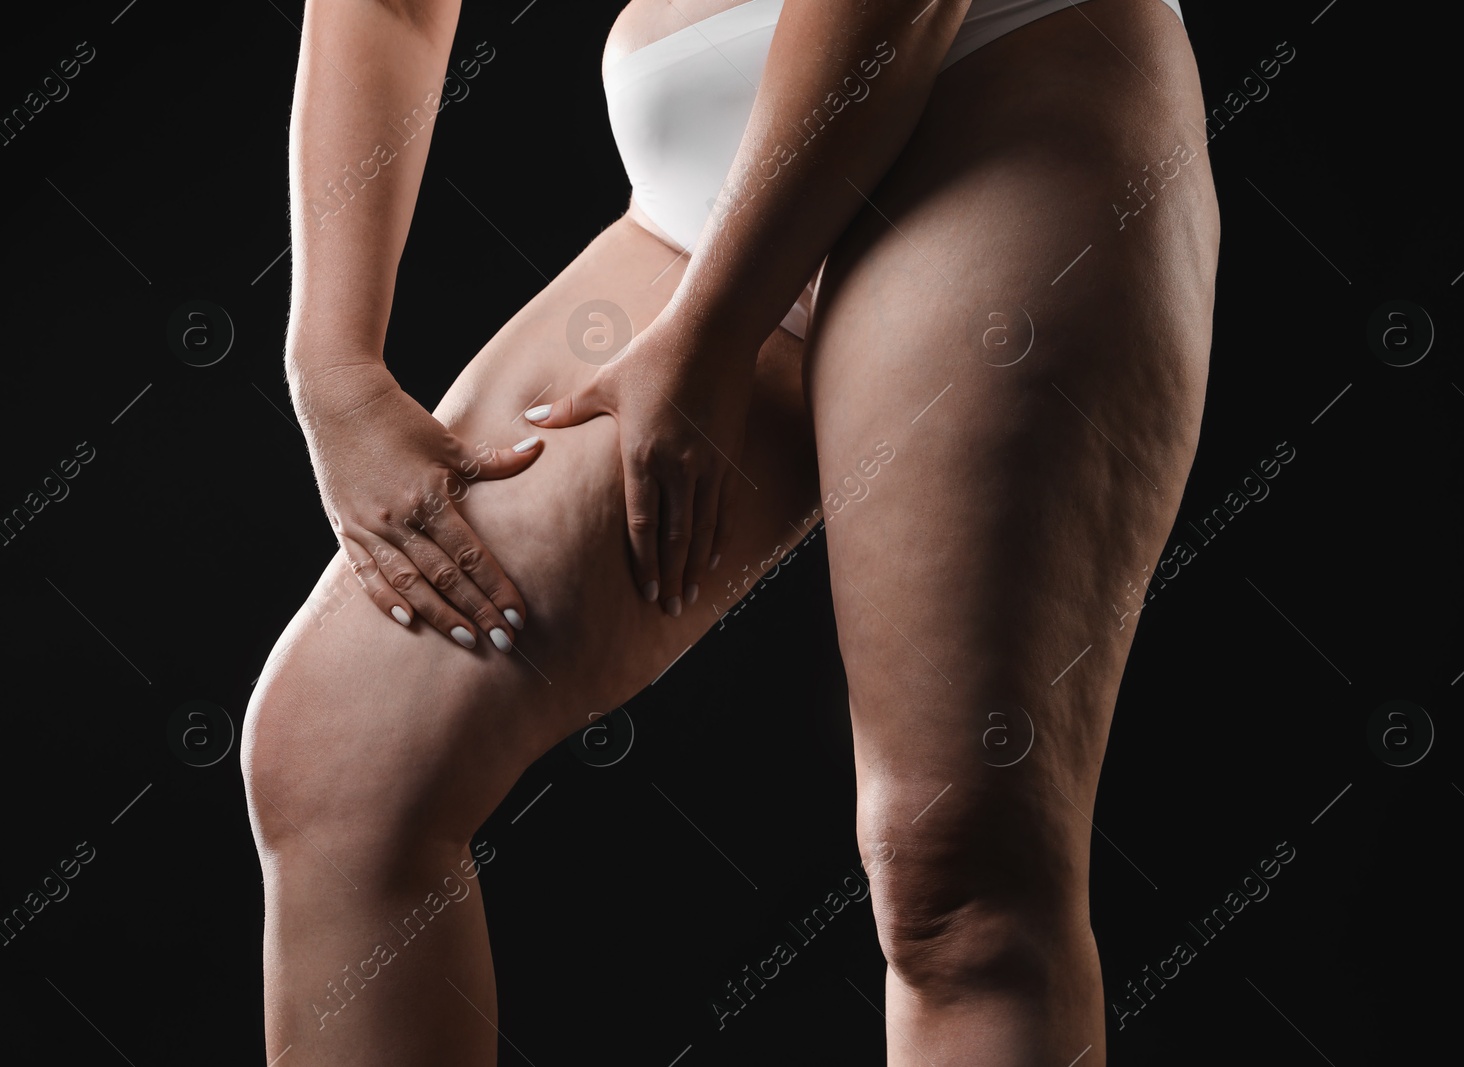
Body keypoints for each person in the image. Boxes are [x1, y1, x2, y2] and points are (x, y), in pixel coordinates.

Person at [242, 0, 1219, 1063]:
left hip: (991, 83)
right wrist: (333, 365)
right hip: (698, 150)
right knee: (339, 767)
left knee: (959, 879)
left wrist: (715, 323)